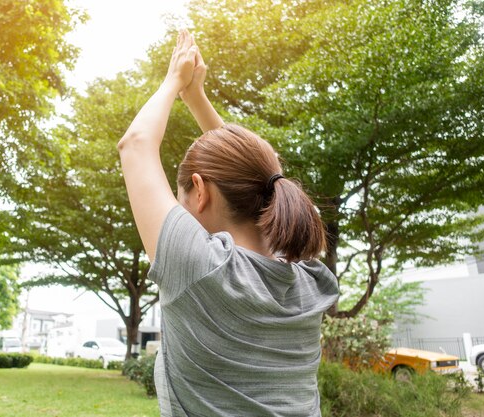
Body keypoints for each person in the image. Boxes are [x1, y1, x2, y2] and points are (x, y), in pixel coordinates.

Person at [118, 29, 339, 417]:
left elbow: (136, 144)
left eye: (180, 199)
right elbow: (258, 178)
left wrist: (174, 80)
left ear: (199, 192)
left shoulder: (202, 269)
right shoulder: (307, 281)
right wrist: (196, 98)